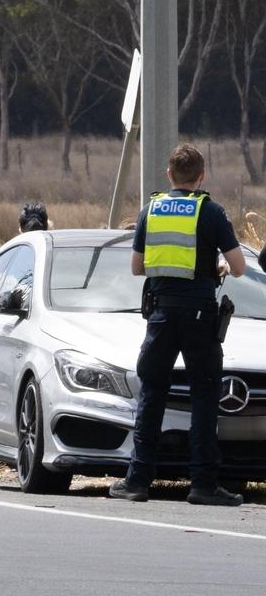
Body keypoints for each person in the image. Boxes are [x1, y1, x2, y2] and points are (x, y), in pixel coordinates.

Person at [109, 144, 247, 507]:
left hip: (160, 316)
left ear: (169, 175)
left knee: (152, 394)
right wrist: (216, 267)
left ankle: (137, 481)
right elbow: (239, 266)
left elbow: (137, 267)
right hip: (200, 318)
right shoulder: (211, 212)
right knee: (204, 397)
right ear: (201, 176)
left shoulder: (149, 212)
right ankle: (202, 484)